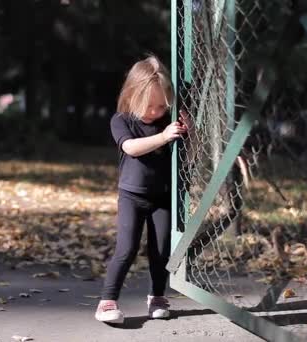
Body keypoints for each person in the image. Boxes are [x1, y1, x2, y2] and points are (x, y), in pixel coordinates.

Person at [95, 55, 188, 324]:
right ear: (133, 95)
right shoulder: (121, 120)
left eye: (162, 106)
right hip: (131, 196)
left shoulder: (167, 122)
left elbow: (186, 160)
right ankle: (107, 301)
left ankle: (157, 296)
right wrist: (162, 136)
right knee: (126, 248)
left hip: (162, 197)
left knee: (161, 251)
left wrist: (186, 134)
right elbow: (131, 148)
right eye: (149, 105)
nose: (156, 112)